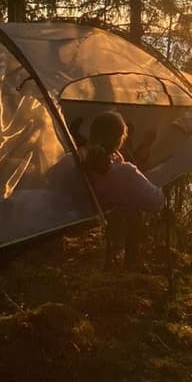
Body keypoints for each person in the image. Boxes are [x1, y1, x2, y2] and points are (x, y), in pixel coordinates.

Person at [51, 110, 164, 267]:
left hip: (61, 240)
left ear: (91, 134)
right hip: (97, 247)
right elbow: (157, 202)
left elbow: (51, 186)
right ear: (120, 141)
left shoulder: (69, 161)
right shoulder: (125, 173)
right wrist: (160, 176)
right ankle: (131, 262)